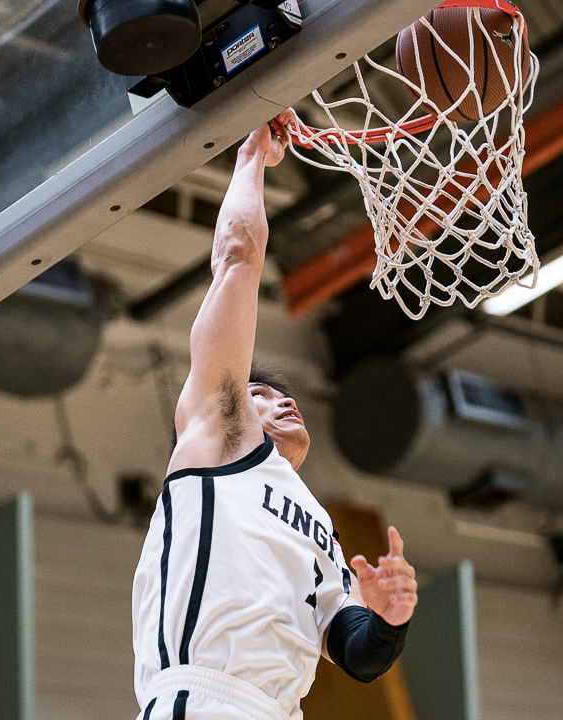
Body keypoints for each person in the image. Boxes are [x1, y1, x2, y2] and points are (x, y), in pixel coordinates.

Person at [131, 113, 419, 720]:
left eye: (283, 394)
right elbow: (238, 257)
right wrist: (251, 161)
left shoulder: (318, 526)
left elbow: (355, 654)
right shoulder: (220, 439)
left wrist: (390, 620)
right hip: (205, 697)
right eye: (261, 392)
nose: (284, 399)